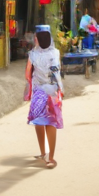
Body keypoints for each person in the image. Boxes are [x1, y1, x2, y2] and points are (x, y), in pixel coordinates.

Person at [25, 26, 64, 169]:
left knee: (39, 122)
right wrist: (61, 89)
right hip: (52, 92)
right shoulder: (55, 53)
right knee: (51, 123)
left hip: (38, 92)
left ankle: (43, 153)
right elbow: (56, 73)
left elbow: (28, 74)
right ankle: (51, 158)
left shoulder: (33, 55)